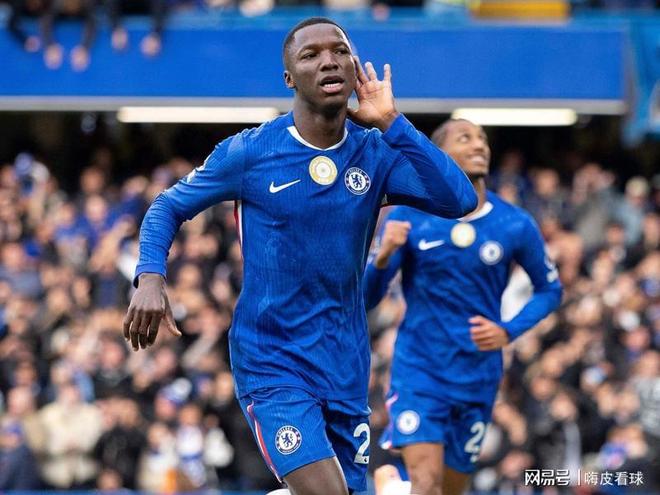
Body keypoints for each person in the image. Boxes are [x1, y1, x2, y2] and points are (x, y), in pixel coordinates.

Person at [123, 17, 477, 495]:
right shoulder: (251, 152)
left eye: (340, 51)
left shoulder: (375, 154)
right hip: (273, 363)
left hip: (345, 364)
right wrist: (149, 277)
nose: (329, 61)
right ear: (289, 78)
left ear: (355, 67)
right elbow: (168, 206)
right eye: (311, 55)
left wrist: (393, 123)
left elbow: (459, 199)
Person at [363, 119, 563, 495]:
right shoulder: (409, 216)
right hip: (420, 372)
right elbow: (367, 298)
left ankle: (391, 487)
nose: (479, 145)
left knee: (451, 490)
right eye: (465, 138)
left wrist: (509, 330)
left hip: (477, 376)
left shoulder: (514, 223)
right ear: (439, 154)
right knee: (427, 484)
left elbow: (550, 290)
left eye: (482, 139)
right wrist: (383, 255)